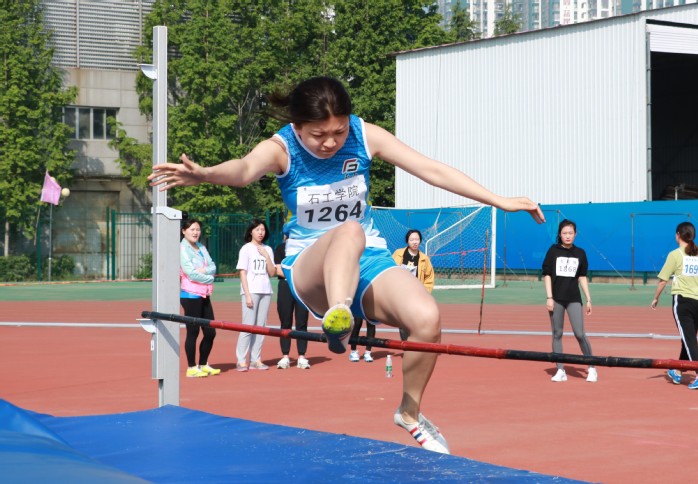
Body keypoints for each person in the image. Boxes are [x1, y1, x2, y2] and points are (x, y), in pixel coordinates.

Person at [149, 76, 544, 454]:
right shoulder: (281, 148)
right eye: (319, 135)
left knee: (426, 317)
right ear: (298, 126)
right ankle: (338, 315)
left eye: (338, 132)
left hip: (367, 259)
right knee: (349, 230)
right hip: (310, 265)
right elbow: (243, 170)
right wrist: (207, 175)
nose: (330, 143)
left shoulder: (365, 135)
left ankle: (409, 412)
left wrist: (501, 200)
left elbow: (433, 170)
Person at [542, 219, 595, 383]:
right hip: (556, 299)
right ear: (559, 234)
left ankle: (592, 367)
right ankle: (560, 370)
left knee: (580, 333)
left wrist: (588, 299)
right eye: (564, 233)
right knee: (557, 333)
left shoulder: (580, 253)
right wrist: (549, 297)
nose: (567, 236)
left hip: (573, 299)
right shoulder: (553, 251)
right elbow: (547, 274)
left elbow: (582, 277)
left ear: (575, 234)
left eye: (570, 233)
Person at [651, 221, 698, 389]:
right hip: (697, 300)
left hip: (683, 302)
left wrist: (655, 298)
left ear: (678, 235)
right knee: (687, 338)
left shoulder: (675, 254)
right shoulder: (696, 253)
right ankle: (677, 370)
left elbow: (663, 280)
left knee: (690, 340)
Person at [179, 218, 220, 378]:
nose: (195, 232)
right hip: (190, 294)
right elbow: (191, 273)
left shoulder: (201, 247)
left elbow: (213, 266)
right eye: (192, 229)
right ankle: (191, 367)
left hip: (204, 294)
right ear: (184, 231)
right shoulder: (182, 248)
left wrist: (205, 271)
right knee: (193, 331)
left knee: (210, 332)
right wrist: (209, 277)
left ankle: (203, 364)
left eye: (198, 229)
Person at [235, 218, 275, 372]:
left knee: (260, 327)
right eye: (257, 229)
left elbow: (271, 273)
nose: (260, 232)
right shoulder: (246, 249)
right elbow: (242, 273)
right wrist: (247, 295)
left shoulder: (268, 249)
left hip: (265, 291)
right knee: (247, 326)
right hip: (251, 291)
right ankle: (241, 360)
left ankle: (255, 359)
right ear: (251, 231)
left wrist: (266, 256)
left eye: (263, 230)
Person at [275, 235, 311, 369]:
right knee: (285, 322)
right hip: (285, 286)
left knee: (302, 321)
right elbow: (278, 270)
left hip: (301, 286)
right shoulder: (280, 249)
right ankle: (285, 356)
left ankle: (302, 356)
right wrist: (295, 274)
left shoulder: (305, 249)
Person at [392, 229, 435, 341]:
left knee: (417, 321)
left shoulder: (424, 259)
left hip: (416, 296)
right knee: (403, 322)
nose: (415, 242)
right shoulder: (398, 254)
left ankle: (415, 345)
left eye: (417, 239)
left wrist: (425, 293)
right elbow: (390, 269)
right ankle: (406, 345)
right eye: (412, 239)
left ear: (420, 241)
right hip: (401, 294)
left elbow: (429, 278)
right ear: (407, 241)